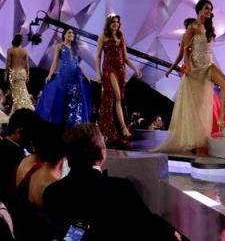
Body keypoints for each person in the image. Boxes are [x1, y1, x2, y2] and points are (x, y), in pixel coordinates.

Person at [43, 123, 179, 240]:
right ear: (102, 153)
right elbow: (147, 226)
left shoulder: (52, 193)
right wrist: (171, 233)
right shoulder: (120, 189)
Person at [155, 0, 225, 153]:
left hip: (208, 64)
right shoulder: (193, 27)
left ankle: (222, 121)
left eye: (210, 9)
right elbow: (185, 49)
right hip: (195, 69)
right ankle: (195, 139)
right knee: (196, 106)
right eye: (206, 8)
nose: (209, 11)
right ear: (199, 10)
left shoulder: (207, 27)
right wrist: (184, 66)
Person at [96, 14, 141, 143]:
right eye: (112, 22)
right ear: (108, 24)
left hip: (121, 70)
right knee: (116, 97)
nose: (115, 24)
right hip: (109, 70)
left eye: (117, 22)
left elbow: (125, 57)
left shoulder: (121, 36)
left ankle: (119, 127)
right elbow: (98, 56)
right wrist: (98, 74)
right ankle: (122, 128)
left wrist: (136, 69)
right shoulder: (103, 37)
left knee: (119, 99)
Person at [36, 28, 92, 128]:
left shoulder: (76, 48)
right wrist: (50, 75)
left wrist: (85, 75)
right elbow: (55, 61)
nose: (72, 34)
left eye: (73, 33)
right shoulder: (59, 46)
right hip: (64, 75)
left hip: (75, 76)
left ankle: (71, 125)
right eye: (69, 33)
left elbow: (77, 64)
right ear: (64, 35)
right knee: (62, 98)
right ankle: (59, 123)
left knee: (73, 100)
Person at [0, 109, 41, 205]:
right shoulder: (17, 157)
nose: (32, 141)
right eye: (31, 135)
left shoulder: (4, 146)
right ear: (19, 132)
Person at [6, 34, 34, 113]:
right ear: (21, 42)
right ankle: (27, 109)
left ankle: (19, 111)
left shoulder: (10, 50)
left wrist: (6, 74)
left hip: (14, 73)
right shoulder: (25, 51)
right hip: (22, 73)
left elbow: (8, 64)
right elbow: (27, 65)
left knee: (16, 94)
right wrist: (28, 75)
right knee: (23, 92)